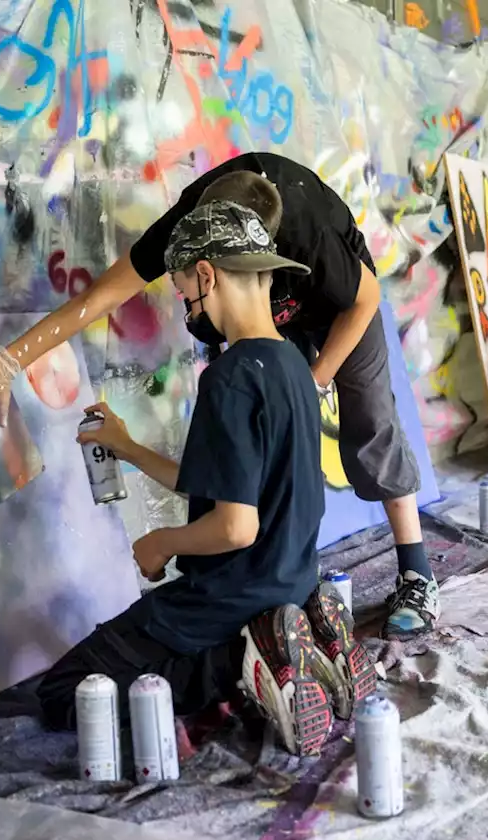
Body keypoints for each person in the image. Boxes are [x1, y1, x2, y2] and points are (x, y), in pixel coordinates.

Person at [0, 153, 440, 639]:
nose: (184, 301)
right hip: (265, 311)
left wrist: (314, 378)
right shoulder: (191, 223)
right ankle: (267, 590)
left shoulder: (306, 226)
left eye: (185, 293)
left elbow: (365, 298)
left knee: (370, 425)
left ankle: (416, 576)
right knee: (250, 446)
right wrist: (9, 360)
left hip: (343, 305)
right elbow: (97, 299)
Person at [34, 201, 377, 757]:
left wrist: (160, 543)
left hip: (226, 597)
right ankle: (298, 637)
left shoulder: (230, 377)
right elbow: (218, 483)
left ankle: (240, 661)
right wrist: (128, 448)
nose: (186, 306)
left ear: (207, 275)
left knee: (61, 693)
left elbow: (236, 526)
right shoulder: (294, 365)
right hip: (286, 584)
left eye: (181, 289)